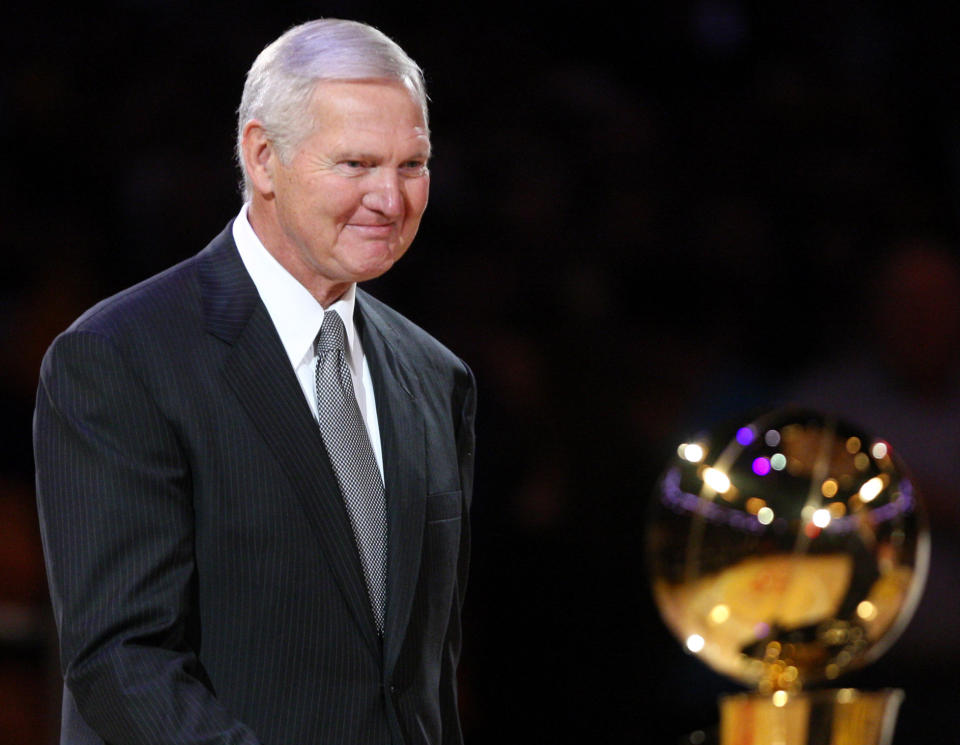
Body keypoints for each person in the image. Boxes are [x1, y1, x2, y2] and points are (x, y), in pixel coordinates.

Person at [33, 19, 476, 745]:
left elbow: (424, 677)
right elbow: (122, 660)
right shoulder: (119, 357)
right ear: (263, 157)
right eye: (357, 164)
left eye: (412, 164)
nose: (391, 200)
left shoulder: (436, 376)